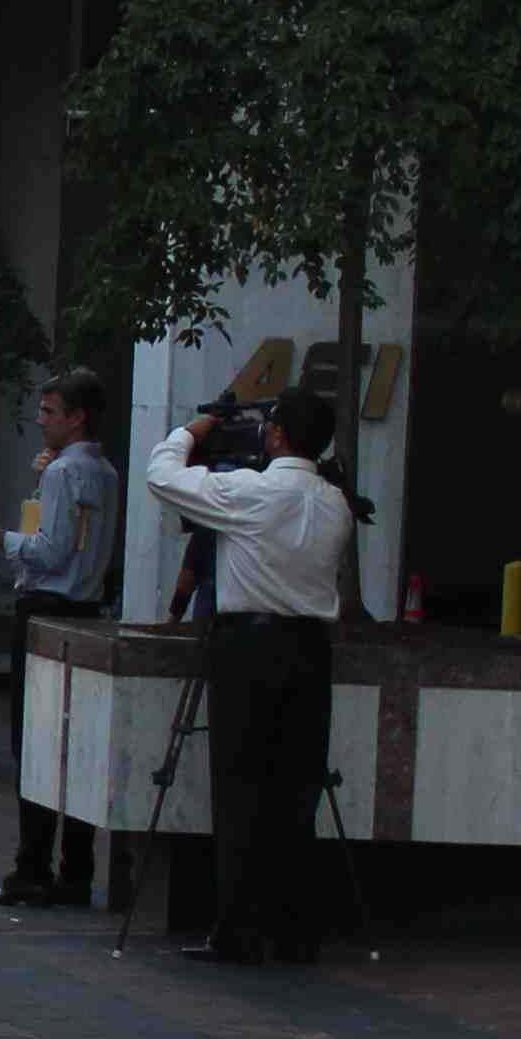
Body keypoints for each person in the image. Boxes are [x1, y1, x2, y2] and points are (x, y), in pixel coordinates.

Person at [142, 387, 356, 964]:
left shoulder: (250, 492)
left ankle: (238, 928)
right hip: (310, 649)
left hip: (248, 647)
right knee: (297, 790)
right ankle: (291, 930)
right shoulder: (335, 505)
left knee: (240, 788)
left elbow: (163, 476)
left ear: (278, 434)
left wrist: (194, 430)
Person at [0, 368, 121, 906]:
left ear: (77, 417)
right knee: (74, 742)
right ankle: (74, 869)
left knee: (37, 743)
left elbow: (49, 551)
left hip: (46, 608)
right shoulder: (103, 470)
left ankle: (33, 867)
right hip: (85, 609)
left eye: (49, 411)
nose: (41, 420)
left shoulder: (66, 471)